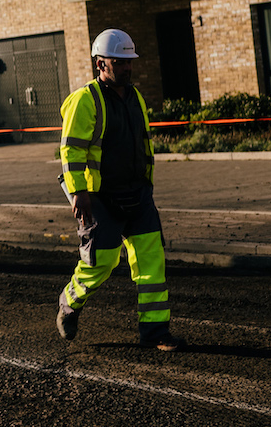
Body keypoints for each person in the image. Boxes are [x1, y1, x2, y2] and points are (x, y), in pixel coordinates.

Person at [56, 29, 185, 352]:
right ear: (101, 64)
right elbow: (70, 151)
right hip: (100, 199)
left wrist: (147, 187)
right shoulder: (85, 100)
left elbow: (142, 144)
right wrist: (79, 193)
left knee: (152, 265)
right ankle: (69, 303)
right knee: (100, 263)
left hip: (138, 196)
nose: (127, 68)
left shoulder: (135, 96)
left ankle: (156, 333)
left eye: (129, 62)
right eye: (120, 62)